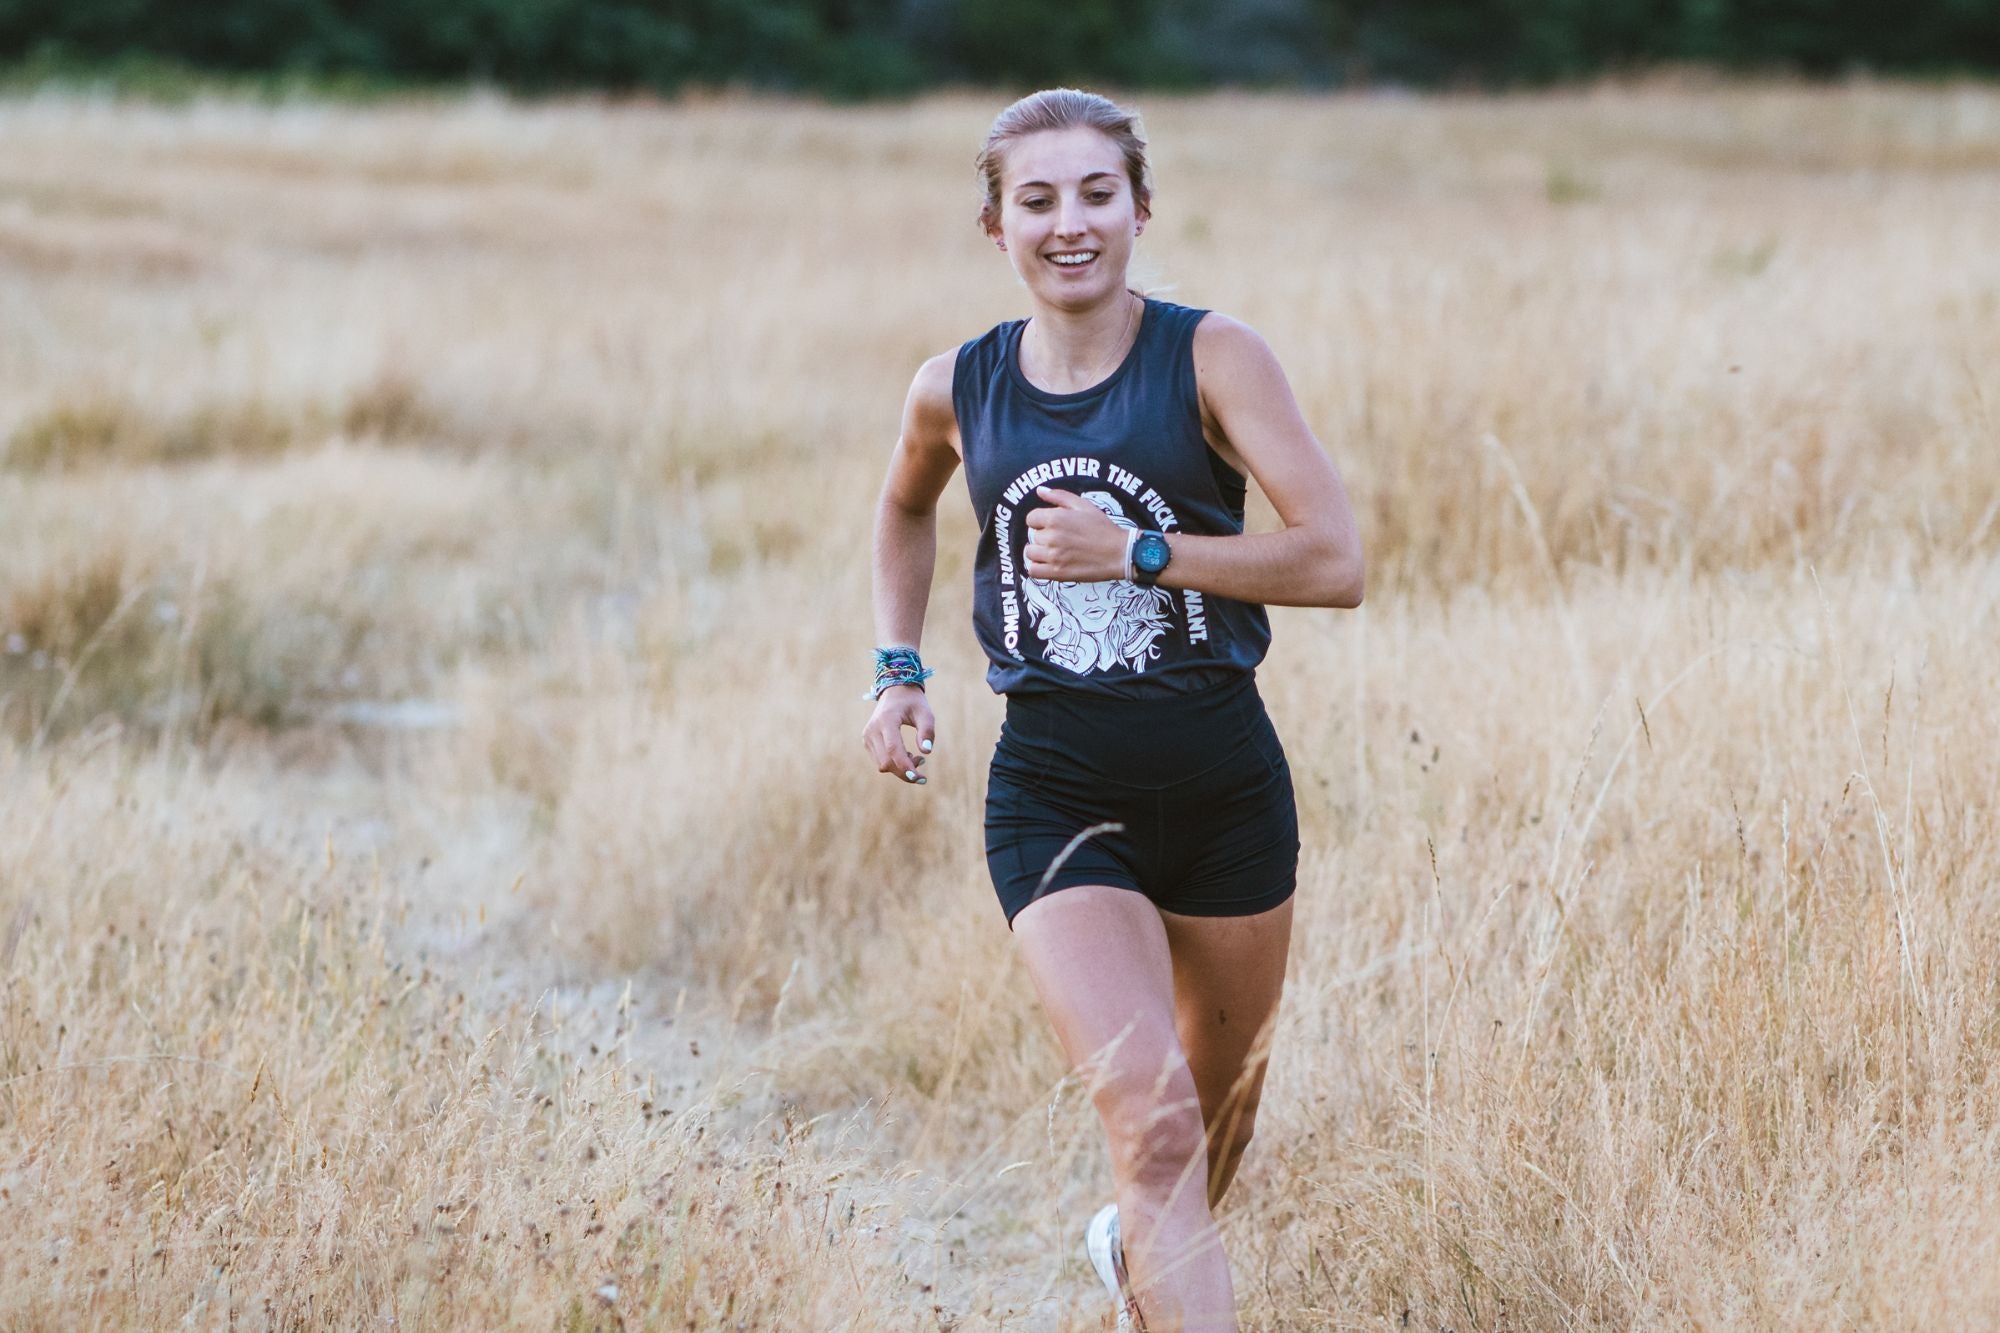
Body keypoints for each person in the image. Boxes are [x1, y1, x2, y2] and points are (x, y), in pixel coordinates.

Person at [861, 87, 1364, 1332]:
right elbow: (903, 510)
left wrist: (1142, 554)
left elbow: (1332, 562)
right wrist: (896, 669)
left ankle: (1129, 1286)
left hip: (1223, 786)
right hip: (1057, 791)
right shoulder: (954, 386)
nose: (1068, 222)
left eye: (1096, 194)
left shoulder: (1211, 356)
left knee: (1217, 1113)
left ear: (1140, 208)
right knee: (1152, 1124)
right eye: (1036, 200)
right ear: (996, 225)